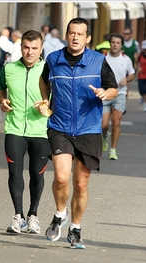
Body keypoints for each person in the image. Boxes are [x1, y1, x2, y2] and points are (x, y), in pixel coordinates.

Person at [37, 17, 118, 249]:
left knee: (81, 184)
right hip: (60, 126)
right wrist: (46, 99)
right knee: (62, 177)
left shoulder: (98, 61)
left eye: (80, 34)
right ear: (66, 34)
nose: (75, 37)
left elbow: (113, 88)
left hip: (89, 129)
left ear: (88, 38)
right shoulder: (54, 59)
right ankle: (60, 213)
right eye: (71, 33)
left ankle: (75, 229)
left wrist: (105, 93)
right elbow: (44, 81)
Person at [0, 30, 50, 234]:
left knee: (37, 175)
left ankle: (33, 215)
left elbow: (58, 98)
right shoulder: (9, 69)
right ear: (21, 47)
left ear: (41, 49)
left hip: (41, 131)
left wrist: (47, 106)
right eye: (26, 47)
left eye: (34, 48)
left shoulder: (47, 69)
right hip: (14, 128)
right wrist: (2, 100)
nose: (30, 52)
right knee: (14, 173)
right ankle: (18, 216)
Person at [101, 33, 135, 160]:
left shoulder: (126, 59)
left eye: (118, 43)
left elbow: (132, 74)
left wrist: (127, 79)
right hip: (105, 93)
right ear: (110, 44)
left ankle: (113, 150)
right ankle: (105, 136)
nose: (115, 45)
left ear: (121, 45)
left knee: (116, 123)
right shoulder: (103, 58)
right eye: (113, 42)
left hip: (120, 94)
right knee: (103, 125)